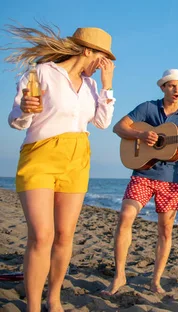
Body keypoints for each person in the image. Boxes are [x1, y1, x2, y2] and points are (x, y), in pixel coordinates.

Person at [4, 23, 116, 312]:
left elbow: (102, 122)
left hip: (78, 157)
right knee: (42, 235)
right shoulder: (42, 73)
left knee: (65, 235)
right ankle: (32, 306)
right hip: (40, 154)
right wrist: (26, 110)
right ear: (87, 50)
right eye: (102, 58)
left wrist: (107, 84)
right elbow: (17, 120)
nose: (103, 64)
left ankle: (53, 299)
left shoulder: (91, 85)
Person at [103, 69, 178, 295]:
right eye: (171, 85)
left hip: (171, 179)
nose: (176, 90)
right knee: (125, 217)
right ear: (163, 88)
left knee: (165, 230)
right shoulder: (148, 108)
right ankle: (119, 276)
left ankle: (155, 281)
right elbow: (118, 127)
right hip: (142, 173)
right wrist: (140, 136)